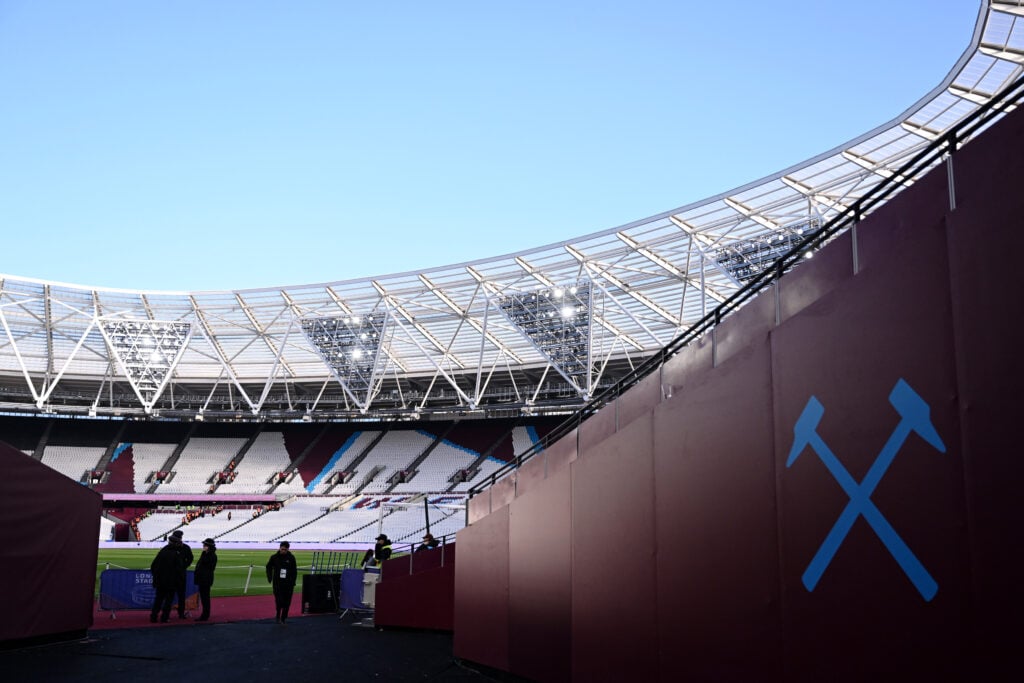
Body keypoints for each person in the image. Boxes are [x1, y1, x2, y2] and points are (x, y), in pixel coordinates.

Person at [149, 539, 182, 623]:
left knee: (158, 599)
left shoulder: (162, 552)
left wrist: (157, 577)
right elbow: (179, 569)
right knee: (168, 601)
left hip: (160, 581)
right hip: (170, 582)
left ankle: (153, 616)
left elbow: (153, 566)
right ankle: (164, 617)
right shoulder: (176, 554)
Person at [266, 540, 298, 624]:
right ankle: (277, 615)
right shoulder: (274, 557)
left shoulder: (291, 558)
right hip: (277, 583)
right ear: (279, 548)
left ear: (288, 549)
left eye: (285, 550)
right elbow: (268, 567)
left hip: (288, 584)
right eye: (282, 549)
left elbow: (294, 571)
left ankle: (283, 618)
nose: (283, 551)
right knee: (278, 601)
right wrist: (269, 577)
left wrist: (293, 581)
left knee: (287, 602)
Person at [169, 529, 194, 618]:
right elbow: (190, 558)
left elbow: (190, 558)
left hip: (174, 574)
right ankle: (180, 614)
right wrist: (184, 566)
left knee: (172, 595)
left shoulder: (170, 547)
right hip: (179, 574)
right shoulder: (185, 547)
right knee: (180, 595)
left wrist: (183, 566)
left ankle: (167, 614)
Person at [194, 538, 218, 622]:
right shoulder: (206, 554)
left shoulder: (211, 555)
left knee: (205, 598)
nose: (203, 546)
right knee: (204, 597)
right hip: (203, 578)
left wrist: (204, 554)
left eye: (205, 545)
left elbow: (206, 566)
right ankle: (204, 615)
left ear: (209, 547)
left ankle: (205, 615)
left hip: (206, 579)